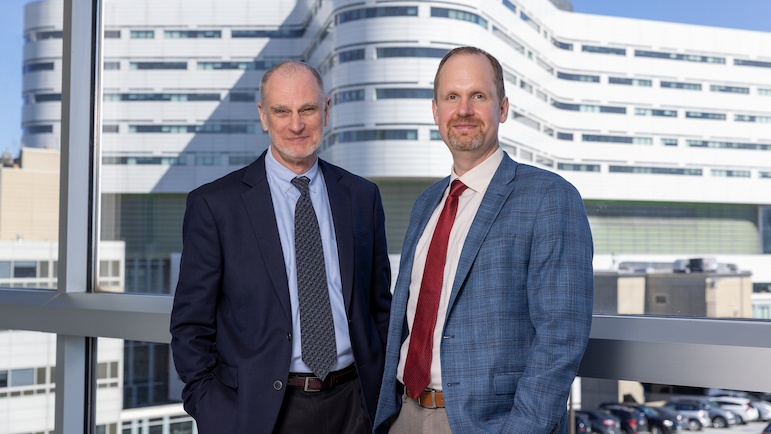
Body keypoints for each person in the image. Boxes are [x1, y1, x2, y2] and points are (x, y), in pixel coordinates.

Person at [373, 46, 594, 434]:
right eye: (451, 97)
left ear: (502, 108)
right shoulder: (426, 204)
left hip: (487, 425)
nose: (463, 110)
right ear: (436, 111)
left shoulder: (549, 197)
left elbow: (561, 338)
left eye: (478, 96)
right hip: (405, 413)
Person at [170, 60, 392, 434]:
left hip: (357, 405)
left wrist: (386, 393)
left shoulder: (361, 196)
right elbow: (190, 326)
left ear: (326, 110)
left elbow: (380, 308)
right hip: (262, 413)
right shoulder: (215, 205)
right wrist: (215, 414)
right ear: (263, 115)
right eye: (281, 111)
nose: (296, 125)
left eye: (307, 109)